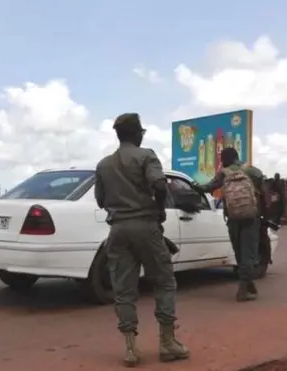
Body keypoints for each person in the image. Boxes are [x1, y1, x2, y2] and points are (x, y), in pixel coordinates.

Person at [94, 113, 189, 367]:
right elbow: (159, 185)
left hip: (118, 230)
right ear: (138, 134)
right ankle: (168, 343)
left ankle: (130, 349)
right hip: (146, 226)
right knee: (164, 281)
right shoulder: (146, 155)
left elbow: (100, 200)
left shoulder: (103, 165)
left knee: (123, 289)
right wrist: (158, 210)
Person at [194, 147, 265, 302]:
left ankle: (246, 285)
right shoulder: (251, 171)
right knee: (249, 252)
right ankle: (244, 287)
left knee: (239, 251)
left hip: (233, 217)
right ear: (237, 157)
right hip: (251, 217)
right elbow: (263, 186)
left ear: (225, 159)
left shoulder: (223, 173)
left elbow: (207, 187)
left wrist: (195, 187)